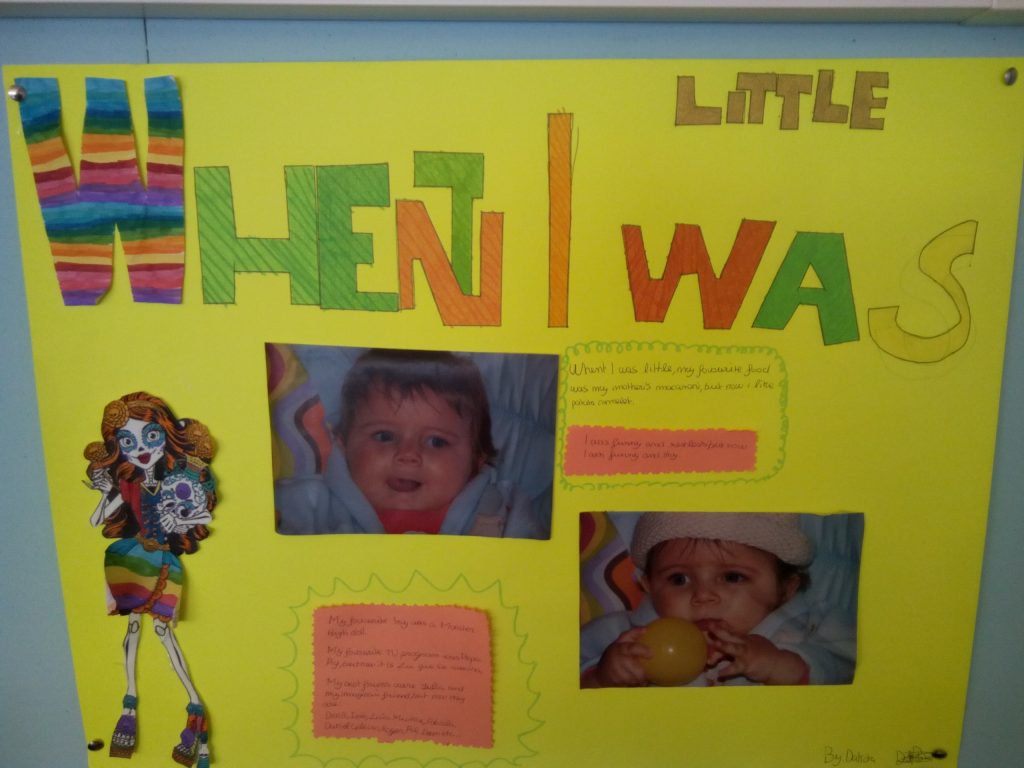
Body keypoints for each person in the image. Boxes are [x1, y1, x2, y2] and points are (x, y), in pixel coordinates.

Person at [276, 348, 541, 537]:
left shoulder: (503, 514)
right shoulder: (308, 506)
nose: (408, 454)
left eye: (436, 442)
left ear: (478, 457)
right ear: (344, 444)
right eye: (384, 436)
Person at [85, 392, 216, 767]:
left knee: (161, 630)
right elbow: (96, 521)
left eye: (152, 437)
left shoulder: (180, 478)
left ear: (167, 435)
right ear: (118, 447)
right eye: (128, 442)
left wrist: (183, 520)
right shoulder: (128, 484)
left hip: (162, 559)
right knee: (132, 627)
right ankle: (129, 702)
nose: (141, 449)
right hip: (130, 557)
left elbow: (202, 516)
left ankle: (193, 704)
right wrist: (106, 491)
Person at [580, 512, 856, 687]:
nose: (703, 596)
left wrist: (779, 665)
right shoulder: (623, 635)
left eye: (732, 577)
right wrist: (602, 676)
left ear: (786, 588)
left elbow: (854, 672)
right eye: (679, 579)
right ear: (649, 587)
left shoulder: (811, 624)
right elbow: (564, 682)